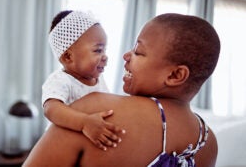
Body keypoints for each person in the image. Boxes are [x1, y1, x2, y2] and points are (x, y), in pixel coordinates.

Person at [23, 13, 220, 167]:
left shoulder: (95, 110)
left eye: (138, 51)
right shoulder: (209, 144)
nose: (125, 55)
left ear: (175, 75)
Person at [42, 10, 125, 151]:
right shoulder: (61, 80)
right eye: (98, 51)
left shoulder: (99, 79)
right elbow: (51, 109)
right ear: (68, 57)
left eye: (105, 50)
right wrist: (84, 123)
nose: (105, 57)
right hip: (60, 146)